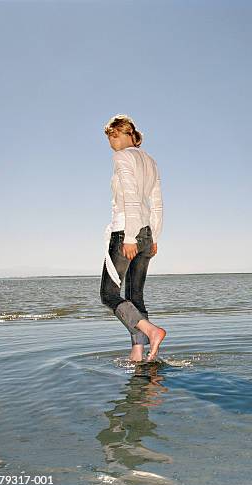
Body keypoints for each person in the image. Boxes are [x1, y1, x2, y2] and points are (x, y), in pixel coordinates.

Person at [100, 114, 166, 362]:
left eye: (112, 137)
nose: (111, 143)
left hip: (126, 231)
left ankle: (151, 331)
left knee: (108, 294)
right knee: (135, 296)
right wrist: (154, 236)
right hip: (147, 233)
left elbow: (130, 196)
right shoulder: (150, 161)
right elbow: (157, 204)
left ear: (123, 133)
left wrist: (129, 237)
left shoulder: (121, 156)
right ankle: (138, 353)